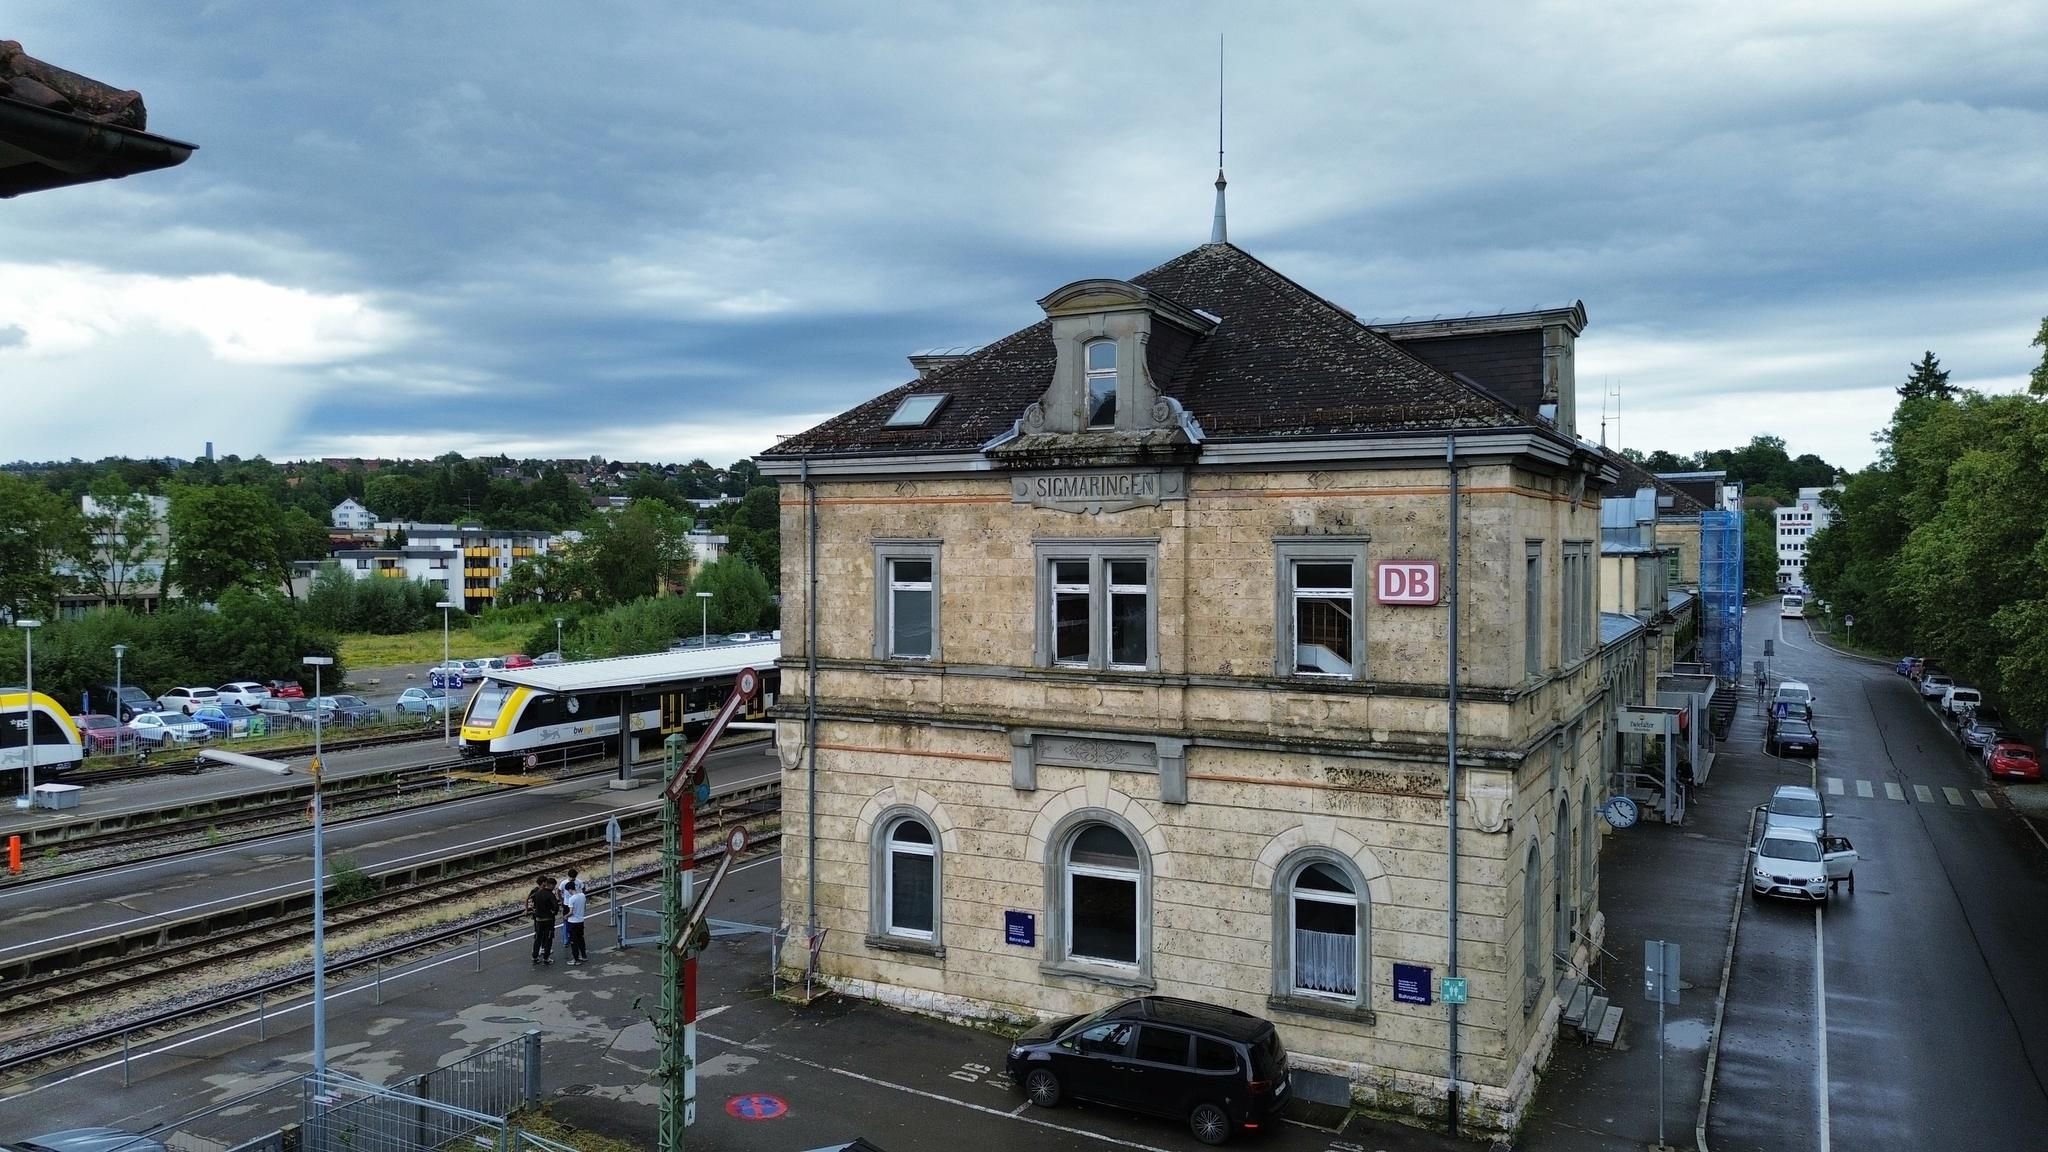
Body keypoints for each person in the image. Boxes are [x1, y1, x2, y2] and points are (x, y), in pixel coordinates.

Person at [524, 873, 559, 965]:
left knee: (538, 938)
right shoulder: (550, 895)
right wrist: (553, 913)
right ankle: (546, 958)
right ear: (550, 885)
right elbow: (556, 907)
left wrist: (527, 910)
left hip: (538, 919)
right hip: (548, 920)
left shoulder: (537, 893)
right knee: (548, 939)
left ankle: (535, 956)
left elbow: (531, 901)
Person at [564, 879, 588, 964]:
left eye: (568, 891)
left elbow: (571, 912)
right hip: (581, 921)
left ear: (570, 889)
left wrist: (565, 916)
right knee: (581, 939)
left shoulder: (571, 899)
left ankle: (575, 959)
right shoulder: (582, 896)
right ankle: (584, 956)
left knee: (573, 941)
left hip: (572, 922)